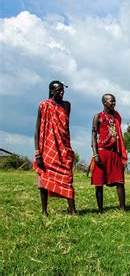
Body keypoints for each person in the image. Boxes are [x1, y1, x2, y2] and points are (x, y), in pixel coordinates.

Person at [33, 81, 76, 216]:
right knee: (44, 179)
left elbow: (65, 128)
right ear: (52, 91)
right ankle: (44, 210)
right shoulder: (44, 106)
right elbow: (37, 130)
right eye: (58, 90)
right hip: (48, 149)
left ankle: (73, 210)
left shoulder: (67, 105)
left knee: (67, 178)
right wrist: (37, 153)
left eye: (63, 90)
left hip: (64, 148)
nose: (61, 93)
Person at [91, 94, 127, 213]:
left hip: (114, 152)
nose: (114, 103)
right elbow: (93, 136)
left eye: (115, 101)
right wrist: (95, 155)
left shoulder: (116, 116)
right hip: (102, 152)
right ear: (104, 102)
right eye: (111, 101)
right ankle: (101, 210)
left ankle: (122, 208)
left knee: (120, 181)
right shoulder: (98, 117)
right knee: (99, 183)